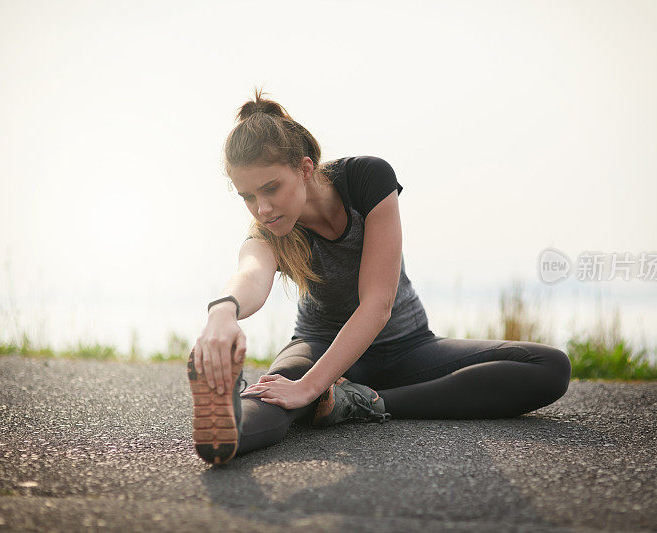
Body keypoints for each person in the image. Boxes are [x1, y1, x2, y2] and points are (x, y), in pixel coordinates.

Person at [187, 88, 571, 465]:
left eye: (271, 188)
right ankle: (229, 430)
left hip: (407, 347)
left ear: (304, 169)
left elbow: (378, 304)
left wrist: (311, 387)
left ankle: (359, 401)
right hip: (319, 345)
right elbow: (251, 273)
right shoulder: (270, 230)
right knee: (274, 394)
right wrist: (223, 312)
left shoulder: (366, 179)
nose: (263, 208)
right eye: (248, 197)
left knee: (549, 368)